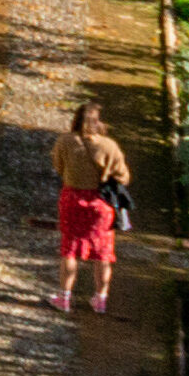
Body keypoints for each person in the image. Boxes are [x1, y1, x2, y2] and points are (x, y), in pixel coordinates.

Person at [59, 106, 132, 317]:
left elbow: (58, 166)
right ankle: (100, 300)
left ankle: (64, 297)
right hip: (101, 205)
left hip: (72, 200)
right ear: (98, 122)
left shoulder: (65, 141)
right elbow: (123, 177)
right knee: (103, 252)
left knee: (70, 249)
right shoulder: (110, 146)